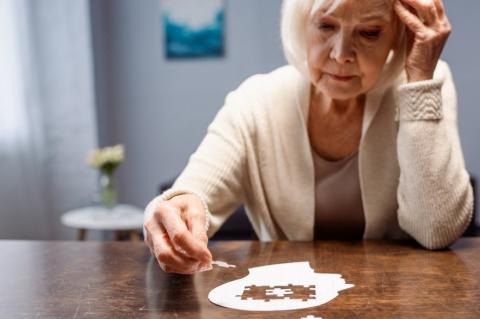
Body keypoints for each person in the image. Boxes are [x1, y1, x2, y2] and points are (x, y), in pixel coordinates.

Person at [144, 0, 473, 274]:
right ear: (301, 25)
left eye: (370, 33)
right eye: (326, 26)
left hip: (394, 299)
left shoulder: (425, 82)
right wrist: (171, 212)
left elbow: (437, 231)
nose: (342, 54)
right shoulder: (256, 100)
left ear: (398, 37)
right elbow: (190, 194)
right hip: (285, 302)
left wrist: (418, 84)